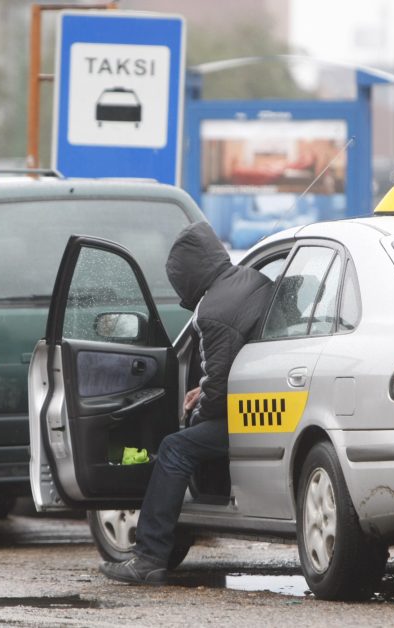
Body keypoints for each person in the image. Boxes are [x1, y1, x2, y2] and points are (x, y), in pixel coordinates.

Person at [99, 221, 275, 585]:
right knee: (189, 440)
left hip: (254, 419)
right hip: (271, 406)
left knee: (176, 447)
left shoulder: (211, 311)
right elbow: (225, 371)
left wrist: (195, 412)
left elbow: (221, 388)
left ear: (186, 275)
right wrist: (204, 389)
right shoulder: (250, 279)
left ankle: (148, 556)